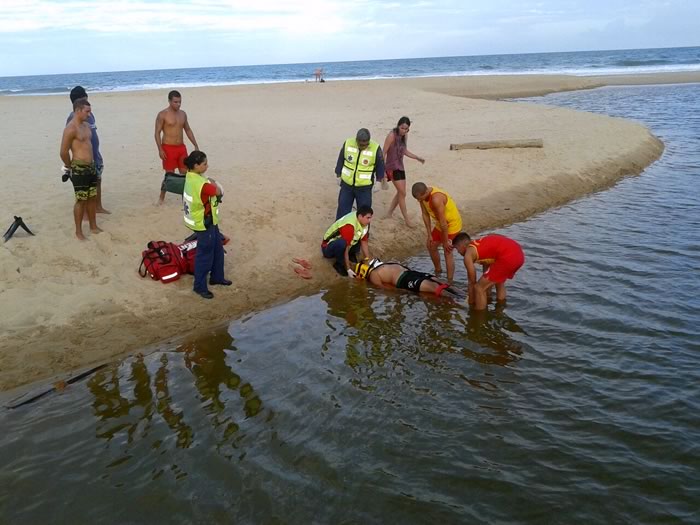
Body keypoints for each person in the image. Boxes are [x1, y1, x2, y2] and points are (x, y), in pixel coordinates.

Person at [182, 150, 231, 299]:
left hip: (209, 221)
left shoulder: (191, 177)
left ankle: (217, 277)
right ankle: (199, 286)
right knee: (204, 255)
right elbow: (218, 191)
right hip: (204, 223)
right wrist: (212, 182)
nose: (207, 166)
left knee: (217, 248)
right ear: (196, 165)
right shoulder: (200, 183)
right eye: (204, 164)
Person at [60, 98, 102, 240]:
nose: (89, 114)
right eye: (87, 111)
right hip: (79, 168)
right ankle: (79, 231)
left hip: (91, 167)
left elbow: (90, 146)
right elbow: (63, 152)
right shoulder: (71, 129)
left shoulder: (87, 126)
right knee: (81, 200)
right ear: (78, 111)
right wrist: (70, 166)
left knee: (92, 198)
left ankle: (93, 226)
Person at [452, 232, 525, 310]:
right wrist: (487, 295)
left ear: (462, 246)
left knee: (479, 288)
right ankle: (500, 309)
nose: (458, 252)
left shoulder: (468, 255)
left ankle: (480, 317)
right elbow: (487, 274)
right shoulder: (480, 246)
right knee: (498, 282)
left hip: (508, 257)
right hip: (518, 254)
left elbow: (472, 282)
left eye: (457, 248)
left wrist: (471, 304)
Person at [66, 86, 109, 215]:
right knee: (84, 189)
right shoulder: (72, 118)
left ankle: (98, 207)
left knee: (98, 181)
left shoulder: (89, 114)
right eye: (85, 98)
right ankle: (84, 213)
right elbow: (69, 143)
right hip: (83, 160)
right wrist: (71, 164)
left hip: (95, 156)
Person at [411, 182, 463, 281]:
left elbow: (444, 224)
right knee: (430, 245)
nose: (419, 200)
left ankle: (449, 280)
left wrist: (445, 240)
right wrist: (429, 234)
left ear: (426, 192)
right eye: (417, 199)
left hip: (452, 224)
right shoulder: (422, 197)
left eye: (419, 198)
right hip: (441, 223)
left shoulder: (436, 199)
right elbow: (425, 214)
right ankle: (438, 271)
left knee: (447, 250)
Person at [155, 90, 199, 204]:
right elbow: (157, 133)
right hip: (168, 148)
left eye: (180, 102)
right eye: (175, 102)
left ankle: (185, 198)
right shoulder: (162, 114)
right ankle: (161, 198)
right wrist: (160, 149)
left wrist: (195, 144)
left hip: (181, 148)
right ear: (169, 101)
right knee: (169, 175)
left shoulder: (183, 114)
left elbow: (188, 129)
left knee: (185, 173)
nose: (178, 104)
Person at [334, 128, 385, 219]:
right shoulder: (348, 143)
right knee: (342, 211)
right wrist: (338, 174)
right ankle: (340, 232)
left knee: (364, 214)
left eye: (365, 145)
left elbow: (380, 165)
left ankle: (363, 233)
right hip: (346, 185)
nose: (363, 146)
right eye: (361, 145)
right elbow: (341, 159)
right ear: (356, 140)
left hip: (364, 188)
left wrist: (379, 181)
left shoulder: (375, 148)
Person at [383, 117, 425, 227]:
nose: (404, 131)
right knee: (402, 193)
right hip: (391, 167)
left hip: (400, 166)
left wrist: (416, 157)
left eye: (406, 129)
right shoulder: (391, 135)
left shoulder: (405, 136)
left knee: (401, 192)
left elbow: (404, 150)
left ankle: (389, 213)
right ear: (398, 126)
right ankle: (407, 219)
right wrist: (382, 171)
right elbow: (383, 153)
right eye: (402, 128)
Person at [353, 258, 459, 298]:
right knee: (437, 283)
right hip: (408, 274)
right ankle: (461, 297)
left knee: (435, 285)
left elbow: (382, 288)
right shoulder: (386, 264)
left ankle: (459, 300)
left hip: (405, 278)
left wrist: (401, 292)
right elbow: (382, 288)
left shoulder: (374, 274)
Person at [321, 206, 373, 277]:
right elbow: (346, 247)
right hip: (328, 246)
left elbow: (364, 241)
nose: (370, 220)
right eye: (368, 218)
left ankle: (351, 254)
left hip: (346, 241)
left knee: (362, 234)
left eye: (370, 218)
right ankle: (339, 264)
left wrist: (367, 259)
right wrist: (348, 269)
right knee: (342, 243)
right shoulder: (349, 225)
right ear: (360, 216)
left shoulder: (362, 221)